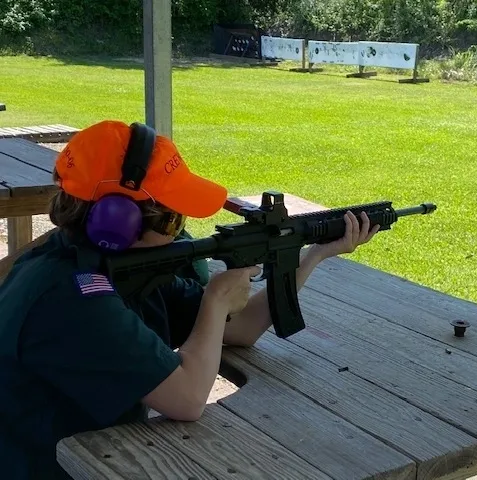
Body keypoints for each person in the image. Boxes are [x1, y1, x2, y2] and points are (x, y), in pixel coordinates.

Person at [0, 120, 380, 479]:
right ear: (117, 223)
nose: (180, 232)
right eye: (172, 221)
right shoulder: (72, 295)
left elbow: (242, 328)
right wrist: (216, 298)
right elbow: (187, 399)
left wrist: (313, 255)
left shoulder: (122, 266)